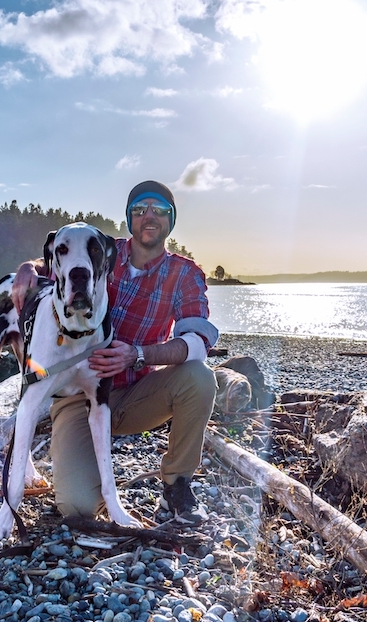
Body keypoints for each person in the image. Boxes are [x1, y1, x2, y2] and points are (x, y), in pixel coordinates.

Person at [13, 180, 219, 525]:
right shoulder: (99, 250)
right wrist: (27, 268)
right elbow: (55, 261)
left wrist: (138, 354)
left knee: (199, 378)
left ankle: (177, 488)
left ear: (171, 220)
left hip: (137, 392)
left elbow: (198, 343)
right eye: (140, 210)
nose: (149, 217)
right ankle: (78, 466)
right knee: (77, 508)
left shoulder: (184, 274)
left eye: (159, 210)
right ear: (129, 218)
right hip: (79, 396)